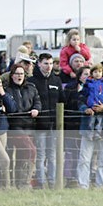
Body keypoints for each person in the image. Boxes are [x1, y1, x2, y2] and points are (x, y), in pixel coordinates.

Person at [31, 53, 64, 189]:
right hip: (39, 124)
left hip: (54, 124)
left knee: (52, 154)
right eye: (45, 63)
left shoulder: (56, 80)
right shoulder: (33, 81)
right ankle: (41, 181)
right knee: (40, 154)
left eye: (50, 63)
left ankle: (52, 181)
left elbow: (62, 99)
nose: (48, 66)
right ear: (39, 64)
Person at [5, 64, 41, 189]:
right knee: (30, 150)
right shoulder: (7, 89)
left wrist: (36, 109)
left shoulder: (31, 88)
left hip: (29, 125)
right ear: (12, 75)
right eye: (17, 74)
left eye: (21, 73)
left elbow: (37, 101)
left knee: (23, 155)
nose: (19, 76)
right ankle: (25, 182)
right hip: (14, 126)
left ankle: (20, 183)